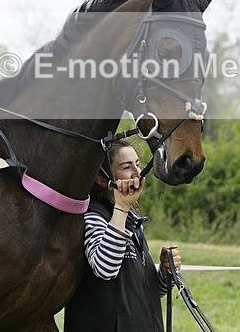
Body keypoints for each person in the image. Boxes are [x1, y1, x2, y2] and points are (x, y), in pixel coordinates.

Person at [64, 138, 182, 332]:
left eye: (137, 164)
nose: (137, 173)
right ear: (102, 178)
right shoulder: (93, 217)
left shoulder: (132, 222)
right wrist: (122, 207)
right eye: (127, 167)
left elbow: (145, 292)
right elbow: (105, 268)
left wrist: (165, 272)